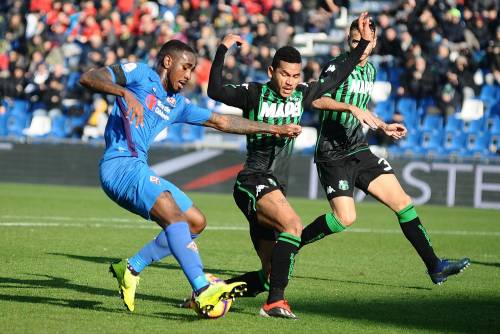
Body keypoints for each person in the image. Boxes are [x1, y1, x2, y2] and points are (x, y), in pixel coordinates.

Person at [79, 39, 302, 315]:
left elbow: (222, 121)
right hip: (119, 165)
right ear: (168, 62)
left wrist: (273, 129)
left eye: (193, 69)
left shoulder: (177, 104)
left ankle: (130, 268)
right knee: (172, 215)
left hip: (139, 166)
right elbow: (89, 77)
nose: (188, 76)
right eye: (185, 67)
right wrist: (124, 94)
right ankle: (202, 287)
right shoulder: (139, 74)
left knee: (195, 221)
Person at [207, 13, 374, 319]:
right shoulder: (254, 93)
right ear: (272, 71)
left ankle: (213, 291)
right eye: (284, 74)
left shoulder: (301, 95)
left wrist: (363, 42)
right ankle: (274, 304)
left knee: (271, 274)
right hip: (253, 180)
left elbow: (337, 77)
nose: (290, 81)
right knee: (294, 226)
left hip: (275, 187)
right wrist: (222, 49)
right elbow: (215, 91)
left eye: (295, 76)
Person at [300, 18, 470, 285]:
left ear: (375, 42)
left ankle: (435, 266)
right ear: (348, 41)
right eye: (356, 42)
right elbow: (315, 99)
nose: (361, 48)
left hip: (359, 149)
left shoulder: (371, 71)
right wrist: (349, 109)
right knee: (345, 218)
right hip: (332, 153)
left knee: (403, 204)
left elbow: (363, 108)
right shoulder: (338, 66)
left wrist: (383, 126)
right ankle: (292, 243)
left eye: (365, 42)